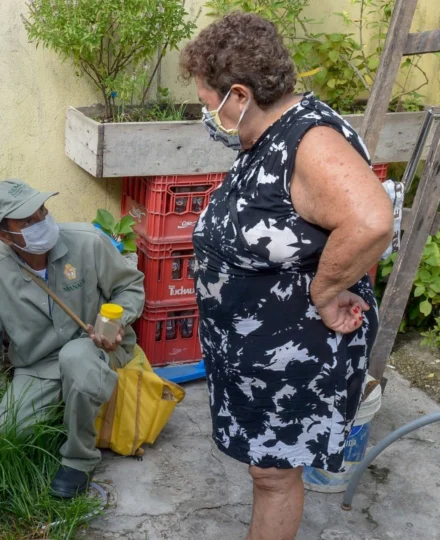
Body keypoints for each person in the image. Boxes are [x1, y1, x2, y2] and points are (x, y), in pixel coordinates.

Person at [179, 12, 394, 540]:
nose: (205, 113)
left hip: (297, 355)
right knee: (267, 471)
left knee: (274, 476)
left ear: (238, 95)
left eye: (207, 102)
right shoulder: (270, 134)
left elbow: (370, 221)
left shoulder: (309, 141)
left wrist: (326, 290)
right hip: (255, 353)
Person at [0, 179, 145, 498]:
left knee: (77, 359)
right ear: (2, 234)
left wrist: (115, 322)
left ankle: (79, 459)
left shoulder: (88, 242)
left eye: (42, 211)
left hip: (96, 347)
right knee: (7, 432)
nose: (42, 222)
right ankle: (71, 401)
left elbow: (128, 287)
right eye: (28, 221)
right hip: (39, 363)